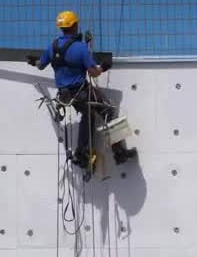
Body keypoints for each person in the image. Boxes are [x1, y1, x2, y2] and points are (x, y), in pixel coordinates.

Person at [27, 10, 136, 169]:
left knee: (88, 115)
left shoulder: (53, 47)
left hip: (65, 96)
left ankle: (82, 153)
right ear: (75, 25)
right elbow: (93, 72)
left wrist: (34, 61)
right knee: (108, 111)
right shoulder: (80, 48)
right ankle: (119, 153)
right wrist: (104, 67)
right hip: (81, 91)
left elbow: (40, 65)